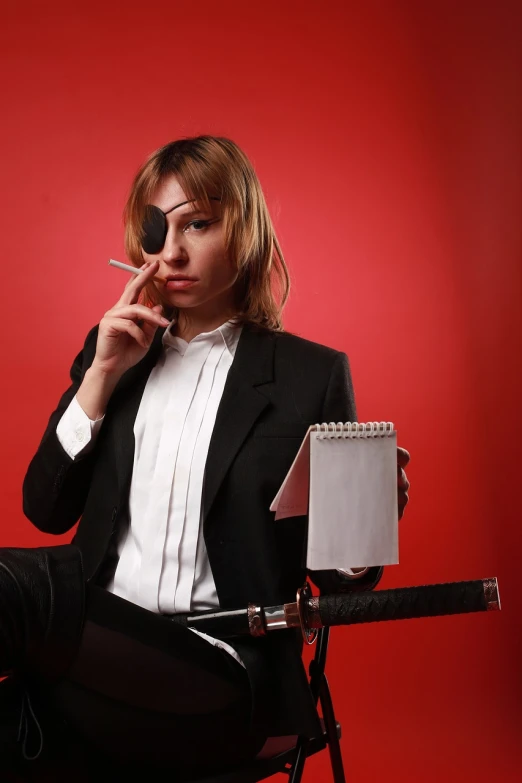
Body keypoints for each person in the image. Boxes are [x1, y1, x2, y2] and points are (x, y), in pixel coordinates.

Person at [1, 136, 410, 781]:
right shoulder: (113, 352)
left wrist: (366, 517)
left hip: (224, 673)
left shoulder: (310, 376)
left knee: (11, 594)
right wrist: (101, 375)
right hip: (93, 656)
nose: (172, 253)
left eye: (198, 224)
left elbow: (339, 583)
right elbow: (44, 511)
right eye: (156, 230)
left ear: (242, 227)